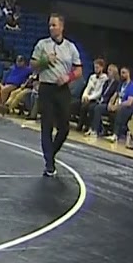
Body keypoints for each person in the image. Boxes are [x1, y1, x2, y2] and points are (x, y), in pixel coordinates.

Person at [31, 13, 83, 177]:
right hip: (46, 88)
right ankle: (49, 164)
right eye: (50, 25)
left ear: (62, 27)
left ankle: (50, 154)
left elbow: (79, 70)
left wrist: (68, 77)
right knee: (46, 126)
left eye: (54, 25)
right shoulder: (42, 44)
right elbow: (33, 65)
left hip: (62, 90)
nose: (51, 28)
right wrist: (45, 61)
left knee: (64, 128)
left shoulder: (70, 47)